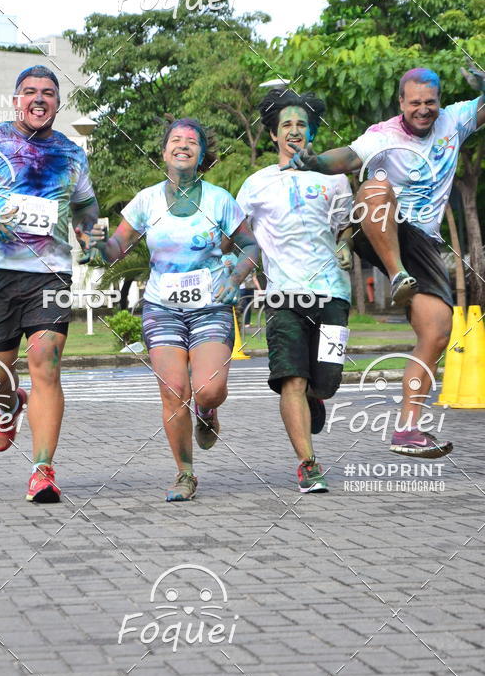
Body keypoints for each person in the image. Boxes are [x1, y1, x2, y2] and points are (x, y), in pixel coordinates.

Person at [288, 66, 485, 458]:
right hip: (378, 226)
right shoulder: (383, 135)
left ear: (439, 102)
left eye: (430, 103)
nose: (424, 111)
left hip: (423, 243)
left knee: (437, 330)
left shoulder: (456, 120)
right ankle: (394, 275)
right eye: (415, 104)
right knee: (375, 185)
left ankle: (407, 429)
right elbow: (346, 158)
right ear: (401, 103)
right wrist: (315, 162)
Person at [0, 65, 99, 502]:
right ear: (16, 100)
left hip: (50, 273)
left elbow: (86, 211)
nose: (39, 99)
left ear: (57, 103)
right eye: (30, 92)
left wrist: (90, 234)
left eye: (48, 93)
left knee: (46, 361)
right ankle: (9, 405)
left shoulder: (71, 154)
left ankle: (43, 470)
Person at [89, 118, 259, 501]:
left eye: (192, 142)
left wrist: (234, 282)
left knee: (209, 389)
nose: (183, 146)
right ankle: (185, 473)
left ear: (201, 156)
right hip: (162, 307)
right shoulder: (146, 200)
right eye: (176, 141)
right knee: (173, 390)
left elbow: (250, 246)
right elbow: (118, 247)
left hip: (212, 306)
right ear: (164, 151)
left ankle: (208, 411)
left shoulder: (219, 200)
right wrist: (99, 248)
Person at [236, 89, 354, 493]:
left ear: (311, 132)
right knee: (292, 380)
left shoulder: (334, 178)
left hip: (334, 295)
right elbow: (238, 237)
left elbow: (346, 229)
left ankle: (318, 398)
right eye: (286, 124)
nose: (295, 130)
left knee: (327, 381)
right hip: (284, 296)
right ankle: (307, 463)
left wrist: (344, 245)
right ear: (273, 134)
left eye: (302, 124)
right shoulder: (256, 185)